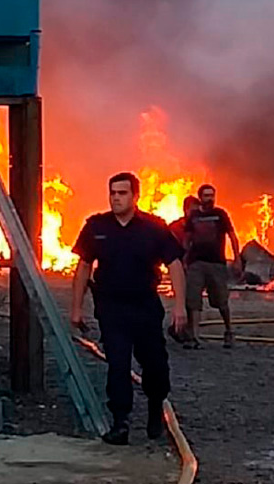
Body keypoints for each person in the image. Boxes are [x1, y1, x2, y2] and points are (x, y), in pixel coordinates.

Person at [70, 172, 187, 446]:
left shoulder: (153, 228)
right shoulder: (96, 226)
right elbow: (84, 266)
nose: (115, 198)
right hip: (111, 308)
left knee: (155, 365)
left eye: (122, 193)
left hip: (145, 306)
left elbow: (175, 265)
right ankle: (120, 422)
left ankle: (156, 404)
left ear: (135, 196)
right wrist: (76, 308)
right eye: (112, 193)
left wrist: (180, 306)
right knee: (117, 365)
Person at [184, 184, 241, 348]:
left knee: (221, 300)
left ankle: (229, 331)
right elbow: (187, 239)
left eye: (212, 196)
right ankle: (195, 337)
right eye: (206, 196)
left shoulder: (220, 214)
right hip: (196, 263)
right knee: (193, 300)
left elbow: (232, 236)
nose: (210, 199)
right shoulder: (193, 216)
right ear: (200, 197)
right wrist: (184, 258)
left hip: (216, 263)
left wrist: (237, 258)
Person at [166, 195, 200, 346]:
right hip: (180, 267)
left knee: (192, 300)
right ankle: (180, 329)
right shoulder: (175, 228)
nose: (194, 213)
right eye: (192, 210)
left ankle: (187, 332)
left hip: (194, 267)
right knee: (184, 300)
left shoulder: (199, 225)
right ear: (185, 209)